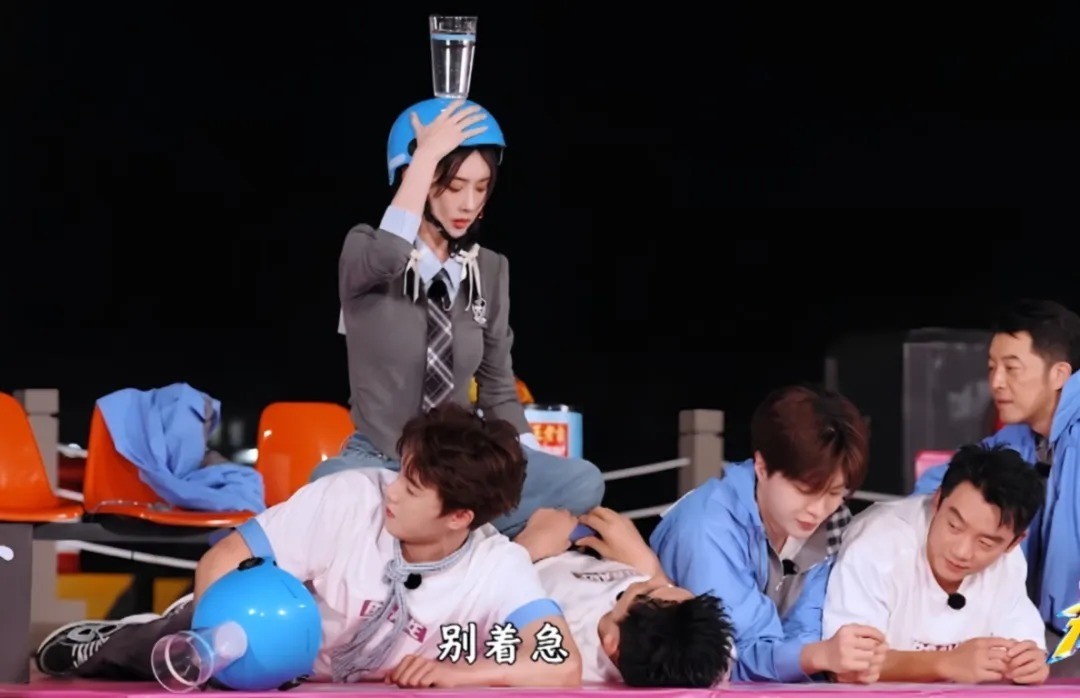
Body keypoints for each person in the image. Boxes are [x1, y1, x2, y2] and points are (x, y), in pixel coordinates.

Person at [36, 405, 582, 689]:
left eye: (412, 489)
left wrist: (461, 674)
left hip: (325, 683)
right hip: (253, 628)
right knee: (174, 646)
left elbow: (562, 664)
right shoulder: (352, 496)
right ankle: (111, 642)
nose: (391, 491)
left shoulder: (497, 564)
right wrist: (212, 650)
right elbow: (223, 557)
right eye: (401, 473)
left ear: (460, 516)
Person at [319, 97, 604, 538]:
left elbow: (497, 385)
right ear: (412, 178)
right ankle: (457, 533)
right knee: (329, 491)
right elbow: (391, 254)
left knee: (582, 480)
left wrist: (519, 464)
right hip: (383, 462)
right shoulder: (364, 250)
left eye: (481, 187)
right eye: (454, 187)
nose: (469, 204)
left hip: (459, 463)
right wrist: (426, 156)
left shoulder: (489, 268)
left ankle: (461, 535)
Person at [650, 384, 888, 683]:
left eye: (834, 493)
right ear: (762, 466)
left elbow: (810, 633)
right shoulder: (706, 530)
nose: (817, 510)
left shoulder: (833, 523)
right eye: (804, 490)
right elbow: (728, 660)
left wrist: (831, 656)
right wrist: (816, 656)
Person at [913, 298, 1080, 676]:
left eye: (1011, 368)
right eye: (991, 368)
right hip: (1046, 640)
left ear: (1059, 374)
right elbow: (944, 483)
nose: (996, 382)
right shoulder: (1021, 438)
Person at [825, 443, 1048, 684]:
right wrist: (947, 663)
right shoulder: (877, 542)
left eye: (985, 543)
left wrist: (1028, 665)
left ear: (1014, 542)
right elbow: (847, 666)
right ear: (938, 499)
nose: (962, 552)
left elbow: (1025, 647)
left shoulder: (1009, 562)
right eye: (954, 526)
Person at [513, 507, 735, 688]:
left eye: (645, 592)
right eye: (670, 585)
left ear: (612, 644)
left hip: (519, 543)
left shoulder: (555, 643)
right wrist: (649, 564)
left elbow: (493, 593)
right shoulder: (704, 655)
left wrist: (525, 548)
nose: (651, 580)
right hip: (574, 538)